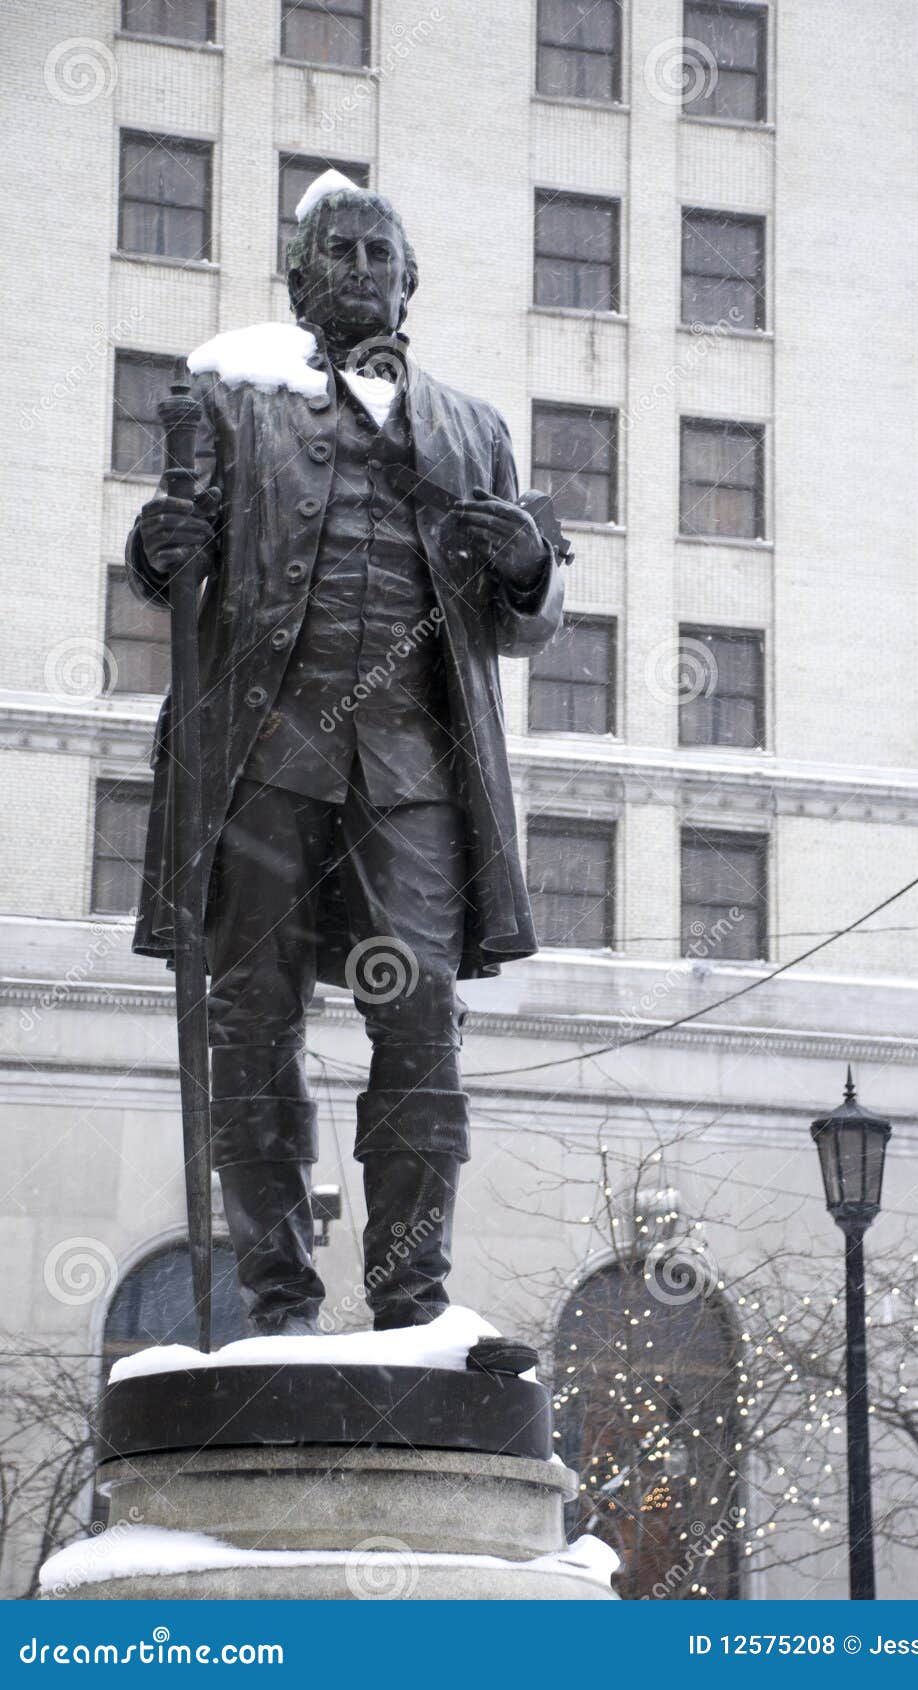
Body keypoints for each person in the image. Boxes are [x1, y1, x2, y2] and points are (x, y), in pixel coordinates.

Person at [127, 171, 565, 1336]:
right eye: (341, 252)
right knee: (249, 1021)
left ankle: (412, 1299)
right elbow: (179, 556)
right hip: (263, 760)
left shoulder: (473, 428)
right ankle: (276, 1298)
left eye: (381, 254)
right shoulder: (230, 395)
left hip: (411, 774)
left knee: (418, 1021)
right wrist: (159, 545)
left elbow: (526, 622)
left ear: (409, 280)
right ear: (298, 277)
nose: (362, 271)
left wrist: (526, 563)